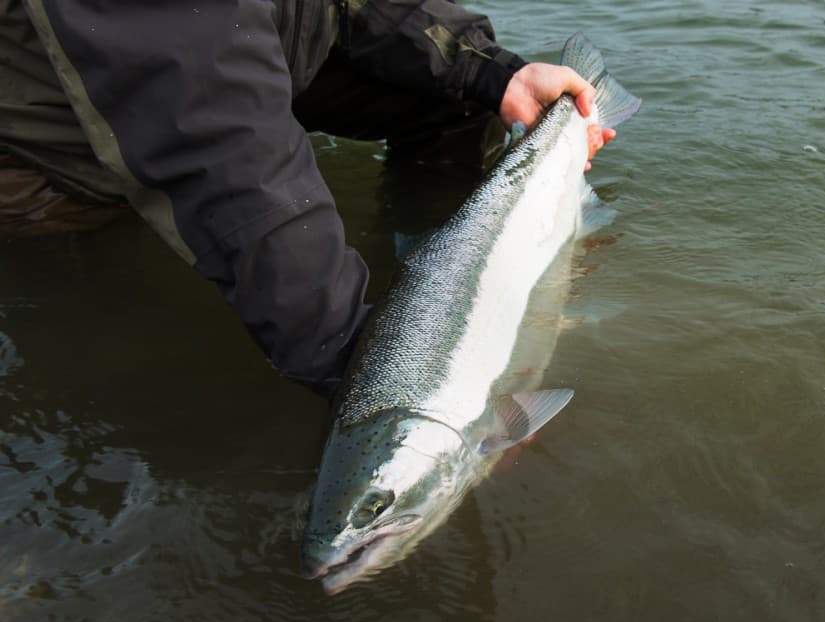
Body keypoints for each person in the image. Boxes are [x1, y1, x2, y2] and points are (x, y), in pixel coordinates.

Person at [0, 1, 614, 397]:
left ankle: (421, 276)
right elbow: (228, 153)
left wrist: (490, 70)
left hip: (253, 44)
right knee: (88, 318)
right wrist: (365, 370)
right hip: (60, 134)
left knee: (460, 96)